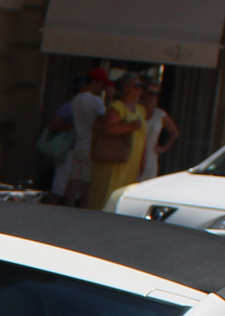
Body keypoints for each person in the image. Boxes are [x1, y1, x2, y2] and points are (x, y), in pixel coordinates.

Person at [87, 72, 145, 210]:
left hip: (131, 161)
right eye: (136, 85)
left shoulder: (141, 110)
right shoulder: (117, 106)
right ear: (125, 87)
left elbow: (144, 136)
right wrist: (130, 126)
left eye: (140, 86)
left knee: (123, 196)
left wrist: (143, 159)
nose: (139, 89)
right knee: (106, 195)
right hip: (113, 160)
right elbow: (108, 128)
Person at [60, 68, 109, 208]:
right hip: (90, 148)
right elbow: (105, 119)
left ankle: (68, 209)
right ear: (94, 82)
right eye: (101, 84)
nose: (102, 88)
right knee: (87, 185)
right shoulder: (96, 101)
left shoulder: (77, 99)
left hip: (79, 144)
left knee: (74, 182)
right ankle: (83, 211)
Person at [136, 79, 178, 182]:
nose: (153, 96)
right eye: (150, 93)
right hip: (134, 155)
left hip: (151, 158)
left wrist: (163, 148)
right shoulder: (136, 110)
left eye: (156, 94)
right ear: (144, 94)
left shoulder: (160, 114)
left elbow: (174, 131)